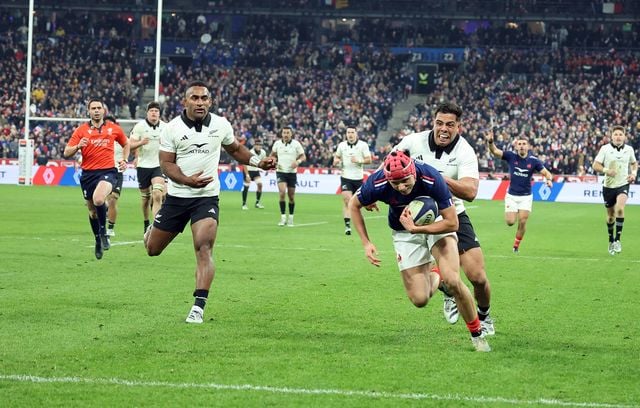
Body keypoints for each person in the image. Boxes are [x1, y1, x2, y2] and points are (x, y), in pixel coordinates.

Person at [144, 81, 276, 324]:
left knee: (203, 246)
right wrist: (186, 180)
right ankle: (152, 229)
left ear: (210, 102)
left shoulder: (220, 124)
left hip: (206, 196)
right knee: (153, 249)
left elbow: (235, 149)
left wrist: (258, 162)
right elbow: (166, 164)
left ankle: (198, 307)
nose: (200, 102)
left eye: (204, 98)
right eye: (194, 98)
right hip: (177, 197)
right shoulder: (171, 129)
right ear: (185, 102)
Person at [349, 151, 490, 352]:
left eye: (405, 181)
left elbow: (452, 222)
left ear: (413, 172)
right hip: (403, 231)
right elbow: (354, 205)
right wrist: (366, 243)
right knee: (420, 299)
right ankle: (437, 276)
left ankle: (477, 335)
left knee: (453, 280)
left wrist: (417, 228)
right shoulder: (378, 182)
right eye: (395, 184)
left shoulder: (432, 177)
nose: (401, 187)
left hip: (438, 223)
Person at [392, 101, 494, 336]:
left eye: (450, 124)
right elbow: (389, 165)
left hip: (452, 213)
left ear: (459, 126)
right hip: (418, 216)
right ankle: (448, 289)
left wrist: (436, 178)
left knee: (477, 277)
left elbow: (470, 192)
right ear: (433, 123)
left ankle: (485, 316)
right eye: (439, 123)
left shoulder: (465, 151)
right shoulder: (413, 141)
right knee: (440, 282)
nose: (443, 129)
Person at [63, 98, 130, 259]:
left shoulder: (114, 129)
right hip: (88, 175)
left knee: (99, 199)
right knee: (92, 211)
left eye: (99, 107)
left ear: (103, 110)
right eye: (93, 108)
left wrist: (125, 159)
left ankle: (103, 232)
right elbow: (66, 153)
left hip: (108, 171)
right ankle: (98, 239)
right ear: (88, 111)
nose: (96, 110)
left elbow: (126, 143)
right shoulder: (80, 131)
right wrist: (78, 146)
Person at [486, 132, 554, 253]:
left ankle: (516, 246)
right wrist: (490, 142)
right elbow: (495, 152)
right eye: (519, 144)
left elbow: (547, 173)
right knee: (510, 222)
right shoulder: (511, 156)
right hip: (512, 195)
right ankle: (514, 213)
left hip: (526, 196)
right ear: (516, 146)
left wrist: (548, 180)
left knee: (522, 221)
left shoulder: (534, 161)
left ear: (528, 147)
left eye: (524, 144)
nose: (522, 146)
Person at [592, 125, 638, 255]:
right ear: (611, 136)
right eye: (616, 134)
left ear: (624, 137)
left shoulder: (629, 150)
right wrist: (606, 170)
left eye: (620, 134)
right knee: (611, 216)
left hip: (623, 184)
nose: (618, 136)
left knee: (620, 208)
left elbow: (634, 163)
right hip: (608, 186)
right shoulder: (605, 149)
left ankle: (618, 240)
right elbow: (595, 165)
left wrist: (633, 174)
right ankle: (611, 240)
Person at [129, 101, 167, 235]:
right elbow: (130, 145)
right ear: (147, 113)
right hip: (143, 166)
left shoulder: (166, 128)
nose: (154, 113)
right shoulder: (139, 127)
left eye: (156, 111)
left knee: (157, 194)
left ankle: (156, 226)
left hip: (159, 165)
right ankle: (146, 222)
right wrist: (140, 143)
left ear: (159, 114)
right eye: (152, 111)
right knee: (145, 198)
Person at [333, 125, 372, 235]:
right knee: (347, 201)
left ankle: (358, 222)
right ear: (346, 134)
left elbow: (369, 160)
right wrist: (336, 161)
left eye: (352, 132)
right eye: (348, 132)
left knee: (357, 204)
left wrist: (358, 160)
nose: (350, 134)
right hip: (346, 177)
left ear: (356, 134)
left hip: (358, 179)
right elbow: (337, 157)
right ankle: (347, 226)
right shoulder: (341, 146)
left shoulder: (363, 145)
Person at [269, 126, 305, 226]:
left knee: (291, 196)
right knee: (282, 193)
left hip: (292, 173)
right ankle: (283, 217)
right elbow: (272, 155)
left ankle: (291, 218)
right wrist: (273, 162)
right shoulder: (277, 144)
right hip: (281, 171)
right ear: (282, 134)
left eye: (287, 133)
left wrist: (298, 161)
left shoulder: (296, 144)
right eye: (284, 133)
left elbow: (303, 156)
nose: (285, 135)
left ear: (291, 134)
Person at [105, 115, 125, 238]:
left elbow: (129, 146)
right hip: (102, 172)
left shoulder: (120, 138)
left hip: (117, 172)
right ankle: (105, 211)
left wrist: (126, 159)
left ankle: (111, 228)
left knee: (113, 199)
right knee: (101, 200)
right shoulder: (99, 139)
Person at [241, 138, 266, 210]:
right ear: (254, 145)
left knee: (260, 184)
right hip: (248, 170)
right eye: (257, 145)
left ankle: (257, 203)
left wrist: (264, 169)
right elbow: (244, 164)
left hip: (255, 171)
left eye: (260, 145)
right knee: (246, 187)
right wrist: (247, 175)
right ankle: (244, 204)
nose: (259, 146)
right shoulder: (250, 152)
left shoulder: (263, 152)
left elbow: (263, 162)